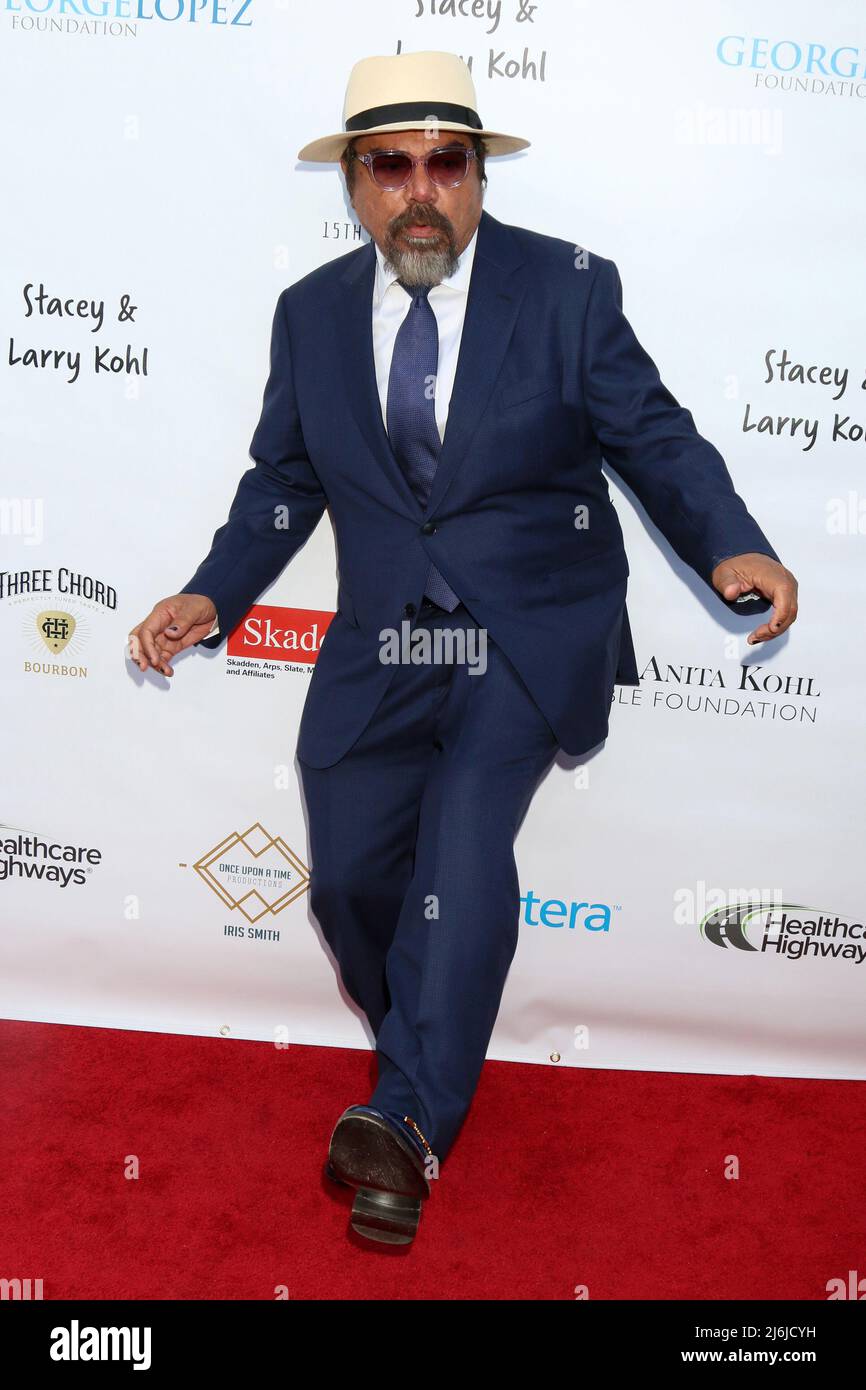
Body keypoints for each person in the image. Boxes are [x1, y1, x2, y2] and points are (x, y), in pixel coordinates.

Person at [129, 50, 798, 1246]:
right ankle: (423, 1057)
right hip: (385, 636)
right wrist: (211, 591)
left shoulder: (567, 291)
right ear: (356, 185)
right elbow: (283, 481)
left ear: (479, 175)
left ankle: (407, 1122)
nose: (419, 190)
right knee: (345, 880)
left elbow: (653, 438)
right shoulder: (312, 313)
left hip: (528, 626)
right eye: (391, 166)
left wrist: (728, 547)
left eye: (447, 163)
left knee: (460, 838)